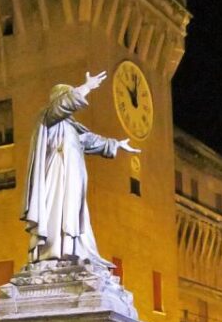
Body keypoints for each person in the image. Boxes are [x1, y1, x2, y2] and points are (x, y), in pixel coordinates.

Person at [21, 71, 140, 267]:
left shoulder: (72, 128)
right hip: (57, 177)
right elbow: (62, 107)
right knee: (57, 213)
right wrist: (86, 87)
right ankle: (56, 251)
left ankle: (73, 250)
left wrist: (117, 144)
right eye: (68, 96)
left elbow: (91, 141)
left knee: (74, 213)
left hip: (74, 181)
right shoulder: (48, 118)